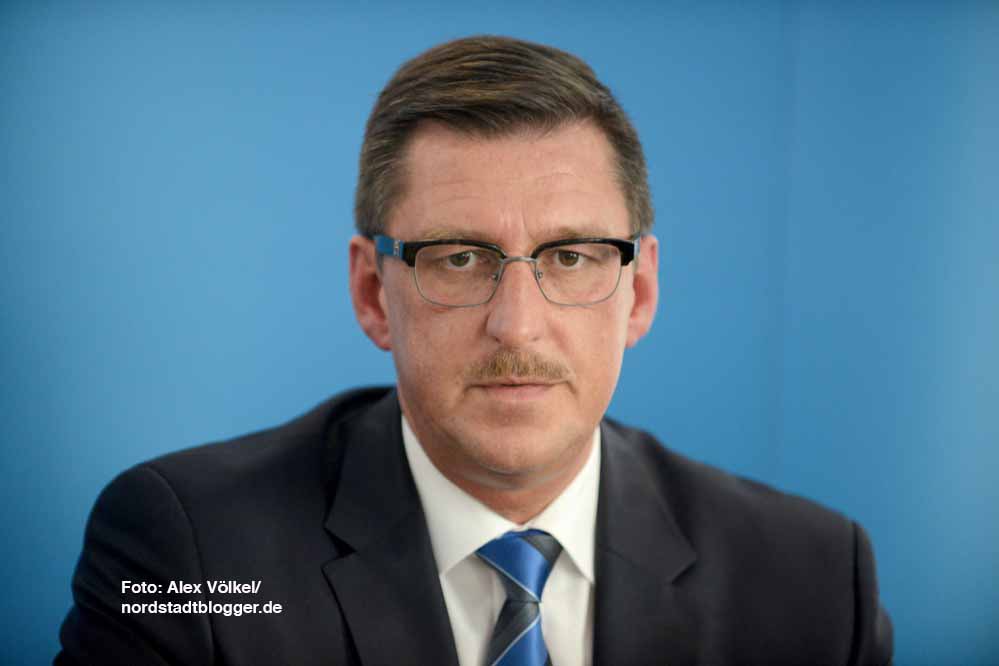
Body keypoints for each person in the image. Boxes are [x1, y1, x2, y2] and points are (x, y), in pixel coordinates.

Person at [56, 35, 893, 665]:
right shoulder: (191, 551)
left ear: (637, 292)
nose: (517, 326)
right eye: (459, 258)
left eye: (571, 257)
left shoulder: (813, 581)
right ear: (371, 293)